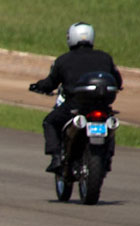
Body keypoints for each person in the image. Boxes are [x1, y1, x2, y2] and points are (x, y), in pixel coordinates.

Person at [30, 22, 123, 173]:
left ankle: (56, 158)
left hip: (75, 105)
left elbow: (50, 83)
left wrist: (37, 86)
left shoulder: (63, 60)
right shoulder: (105, 58)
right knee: (109, 124)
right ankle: (108, 157)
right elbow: (118, 81)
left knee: (50, 122)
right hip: (102, 105)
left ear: (71, 38)